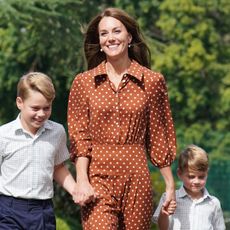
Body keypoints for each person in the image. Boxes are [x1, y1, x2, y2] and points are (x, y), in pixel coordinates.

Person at [68, 7, 177, 230]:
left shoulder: (152, 81)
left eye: (116, 31)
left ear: (129, 37)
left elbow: (158, 134)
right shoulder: (83, 82)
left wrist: (170, 185)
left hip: (137, 177)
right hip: (97, 177)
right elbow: (80, 138)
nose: (110, 38)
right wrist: (81, 179)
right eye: (104, 33)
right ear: (98, 41)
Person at [0, 72, 77, 230]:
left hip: (43, 211)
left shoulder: (57, 132)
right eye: (35, 108)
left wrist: (76, 190)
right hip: (8, 210)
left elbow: (58, 167)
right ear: (20, 103)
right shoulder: (3, 135)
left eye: (46, 108)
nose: (41, 114)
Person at [152, 144, 226, 230]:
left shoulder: (214, 203)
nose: (196, 181)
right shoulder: (168, 198)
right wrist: (164, 213)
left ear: (207, 173)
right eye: (191, 177)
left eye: (201, 177)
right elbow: (162, 228)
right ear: (180, 173)